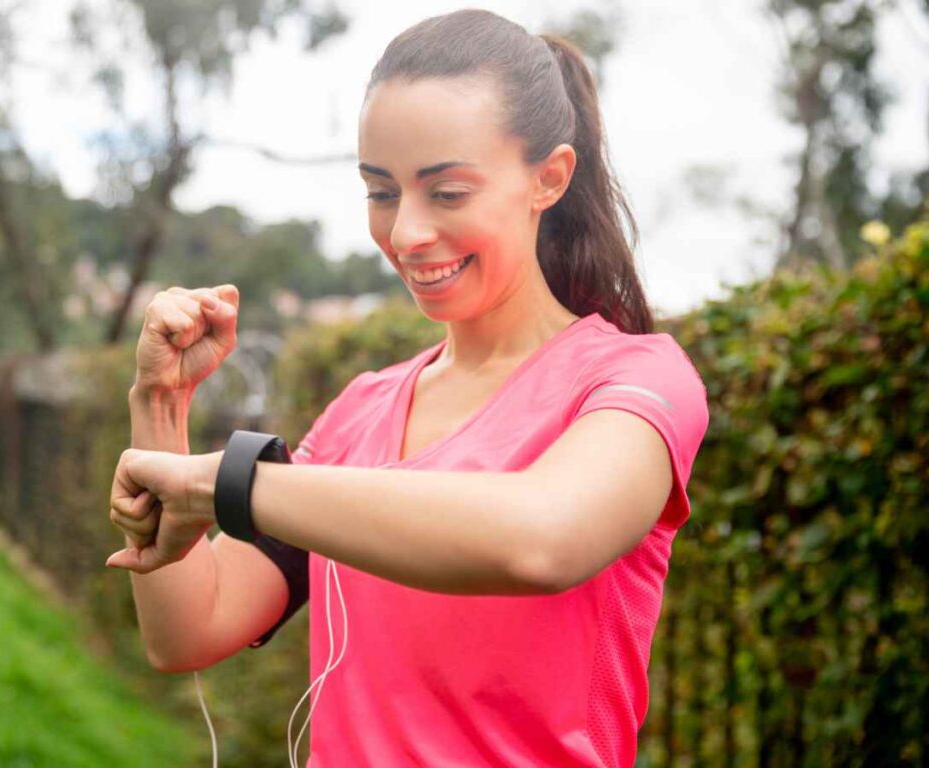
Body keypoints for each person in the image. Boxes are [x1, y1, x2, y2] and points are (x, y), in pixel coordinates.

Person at [105, 8, 710, 767]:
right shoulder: (362, 408)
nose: (405, 233)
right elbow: (191, 627)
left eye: (447, 192)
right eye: (381, 192)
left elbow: (541, 539)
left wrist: (227, 483)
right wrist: (160, 407)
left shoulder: (635, 380)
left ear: (548, 178)